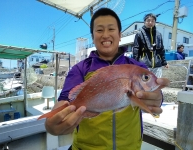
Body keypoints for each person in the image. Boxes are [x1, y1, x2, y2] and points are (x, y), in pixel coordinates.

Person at [45, 8, 169, 150]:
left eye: (111, 29)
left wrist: (157, 98)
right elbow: (66, 99)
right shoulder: (80, 69)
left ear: (120, 35)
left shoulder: (137, 67)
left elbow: (155, 97)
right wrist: (52, 123)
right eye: (99, 30)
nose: (105, 35)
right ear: (92, 37)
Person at [133, 13, 168, 78]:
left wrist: (164, 62)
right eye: (148, 20)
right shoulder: (139, 34)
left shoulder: (159, 34)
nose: (150, 22)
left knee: (156, 85)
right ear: (144, 22)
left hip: (157, 65)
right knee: (144, 86)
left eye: (152, 21)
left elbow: (161, 49)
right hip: (144, 65)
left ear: (155, 22)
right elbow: (136, 49)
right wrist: (135, 63)